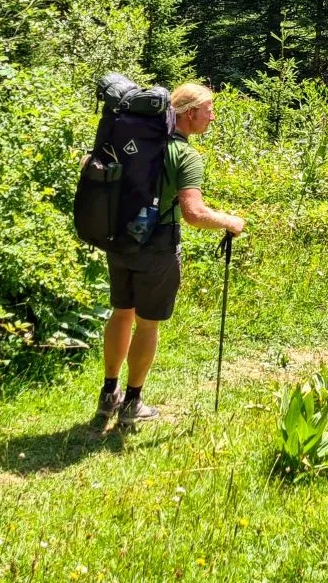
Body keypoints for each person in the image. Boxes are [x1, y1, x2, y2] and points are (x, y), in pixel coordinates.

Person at [93, 81, 244, 430]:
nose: (212, 117)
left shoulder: (134, 140)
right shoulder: (185, 155)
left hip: (120, 240)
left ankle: (109, 393)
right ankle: (133, 402)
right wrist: (230, 221)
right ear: (190, 114)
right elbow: (194, 213)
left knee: (121, 312)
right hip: (157, 247)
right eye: (208, 111)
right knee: (147, 323)